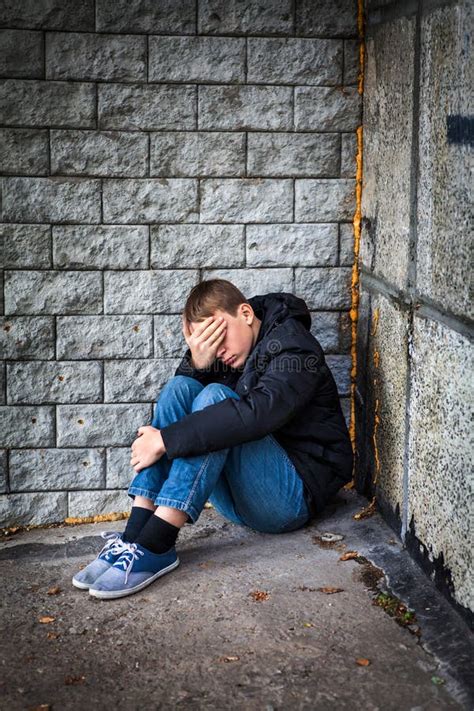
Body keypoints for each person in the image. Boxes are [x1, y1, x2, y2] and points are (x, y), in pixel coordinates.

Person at [72, 279, 353, 600]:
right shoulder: (231, 347)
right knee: (182, 389)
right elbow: (185, 402)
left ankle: (157, 542)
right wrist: (196, 364)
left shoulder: (295, 349)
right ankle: (136, 534)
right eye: (208, 341)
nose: (217, 349)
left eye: (220, 337)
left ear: (245, 313)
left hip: (290, 501)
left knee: (217, 400)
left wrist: (165, 439)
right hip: (241, 501)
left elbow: (255, 415)